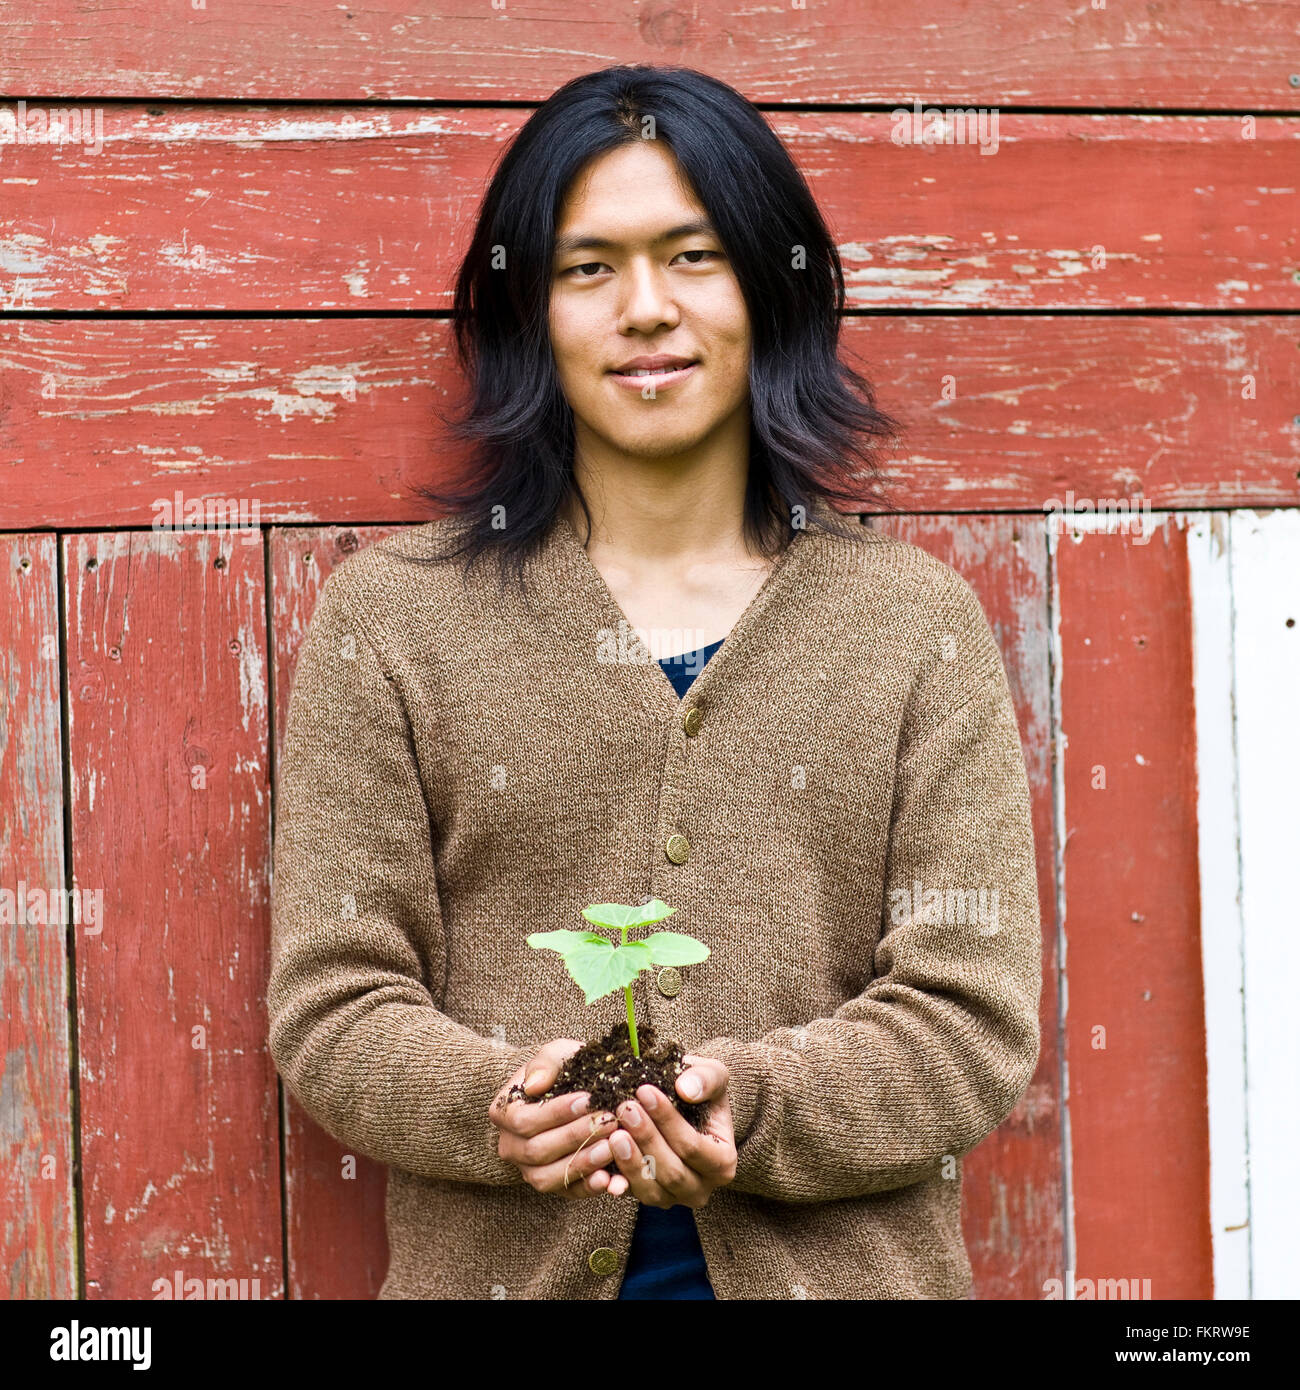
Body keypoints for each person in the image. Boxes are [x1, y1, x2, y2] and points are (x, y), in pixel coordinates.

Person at [267, 64, 1041, 1300]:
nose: (644, 309)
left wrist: (754, 1102)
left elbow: (970, 1019)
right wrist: (494, 1103)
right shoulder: (393, 621)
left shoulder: (913, 627)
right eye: (588, 268)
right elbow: (335, 1001)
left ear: (770, 286)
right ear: (529, 311)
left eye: (693, 257)